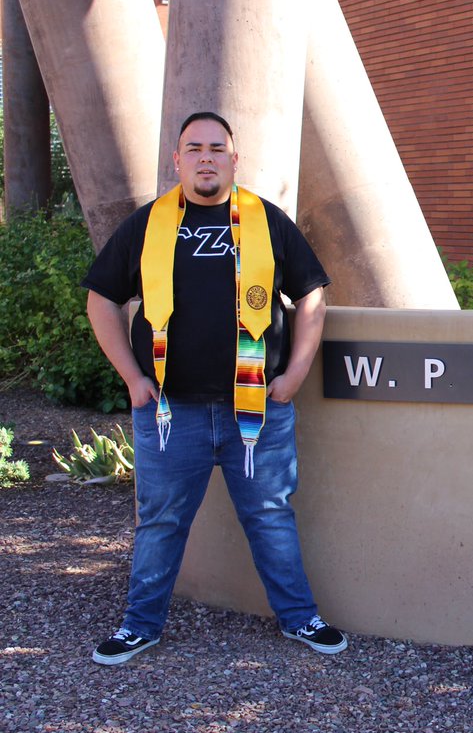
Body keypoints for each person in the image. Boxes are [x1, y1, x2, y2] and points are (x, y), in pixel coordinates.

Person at [82, 111, 346, 664]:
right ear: (177, 160)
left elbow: (311, 296)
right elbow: (101, 298)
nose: (206, 157)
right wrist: (132, 378)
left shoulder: (265, 221)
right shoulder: (147, 225)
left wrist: (294, 374)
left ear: (233, 158)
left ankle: (301, 619)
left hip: (256, 406)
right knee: (160, 520)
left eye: (217, 148)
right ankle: (140, 625)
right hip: (169, 413)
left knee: (271, 515)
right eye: (194, 148)